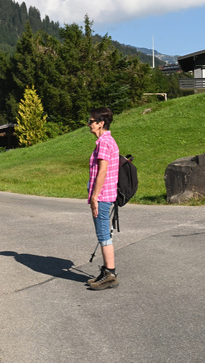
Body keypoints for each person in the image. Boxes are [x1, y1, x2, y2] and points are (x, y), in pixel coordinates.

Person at [86, 107, 121, 291]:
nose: (89, 124)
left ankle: (110, 274)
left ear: (101, 123)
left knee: (103, 235)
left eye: (91, 121)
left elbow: (103, 171)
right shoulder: (105, 141)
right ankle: (107, 271)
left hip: (103, 197)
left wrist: (94, 197)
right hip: (105, 196)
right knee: (103, 234)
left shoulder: (104, 142)